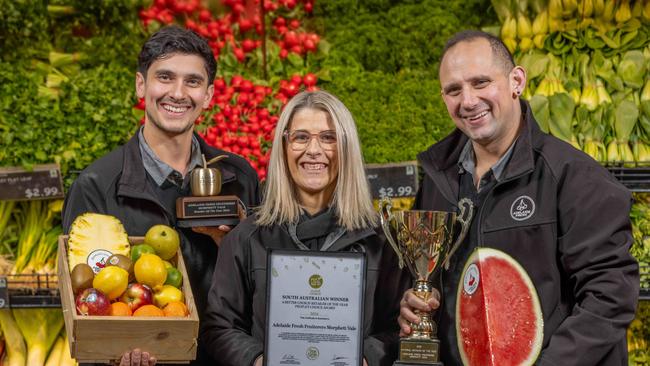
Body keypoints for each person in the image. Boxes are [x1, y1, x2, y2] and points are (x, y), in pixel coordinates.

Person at [398, 30, 639, 365]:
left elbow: (609, 298)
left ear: (516, 81)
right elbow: (432, 280)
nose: (467, 101)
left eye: (481, 82)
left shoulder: (575, 177)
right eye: (454, 90)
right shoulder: (438, 179)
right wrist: (420, 304)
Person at [62, 25, 260, 365]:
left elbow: (265, 287)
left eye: (192, 81)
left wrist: (232, 247)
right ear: (142, 85)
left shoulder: (240, 177)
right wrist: (112, 357)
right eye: (165, 77)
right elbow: (83, 302)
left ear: (209, 95)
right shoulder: (97, 186)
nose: (178, 93)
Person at [200, 90, 410, 366]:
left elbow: (400, 328)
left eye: (328, 137)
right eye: (301, 137)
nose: (314, 150)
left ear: (346, 147)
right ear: (284, 146)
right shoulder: (247, 237)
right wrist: (258, 359)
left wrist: (366, 357)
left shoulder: (382, 241)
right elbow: (218, 327)